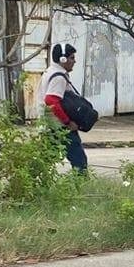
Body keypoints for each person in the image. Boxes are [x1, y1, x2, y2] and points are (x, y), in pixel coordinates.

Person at [41, 43, 88, 174]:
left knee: (44, 159)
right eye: (72, 58)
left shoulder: (50, 71)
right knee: (79, 161)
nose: (74, 61)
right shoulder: (58, 77)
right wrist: (67, 122)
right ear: (63, 59)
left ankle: (27, 183)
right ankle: (80, 185)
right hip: (61, 126)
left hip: (51, 124)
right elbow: (51, 101)